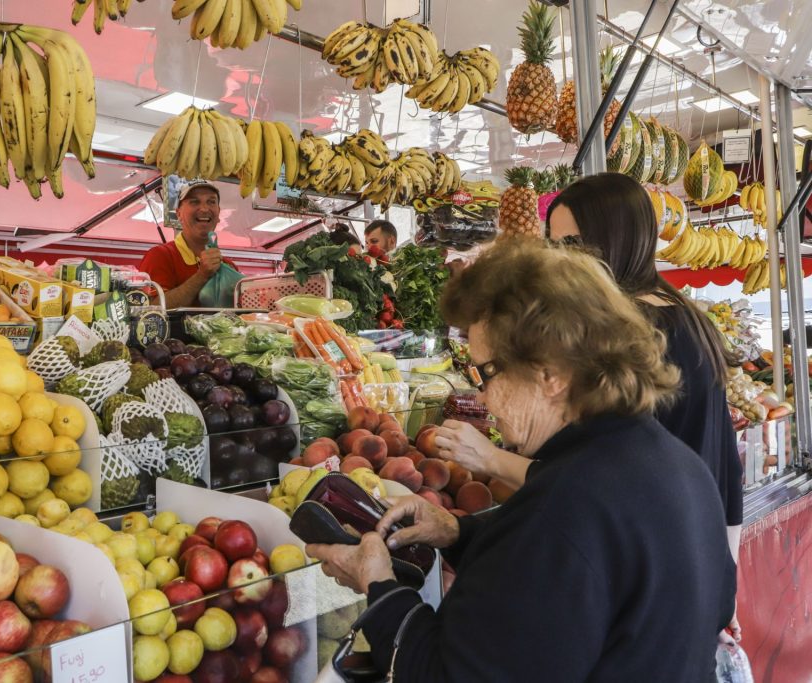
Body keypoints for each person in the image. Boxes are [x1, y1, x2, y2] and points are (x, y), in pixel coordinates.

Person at [307, 239, 736, 681]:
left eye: (486, 372)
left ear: (549, 374)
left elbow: (451, 675)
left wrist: (378, 585)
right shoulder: (679, 466)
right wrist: (458, 532)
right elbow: (708, 598)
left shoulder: (562, 509)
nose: (480, 395)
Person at [546, 172, 744, 642]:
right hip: (691, 563)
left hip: (653, 571)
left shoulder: (635, 330)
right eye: (554, 245)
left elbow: (605, 475)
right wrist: (725, 577)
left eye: (574, 244)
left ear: (615, 239)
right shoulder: (685, 314)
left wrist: (491, 457)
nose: (561, 260)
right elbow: (725, 462)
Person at [138, 181, 238, 308]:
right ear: (179, 213)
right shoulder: (160, 256)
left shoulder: (229, 266)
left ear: (218, 213)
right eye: (194, 202)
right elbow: (151, 309)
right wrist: (201, 275)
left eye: (211, 202)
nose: (204, 208)